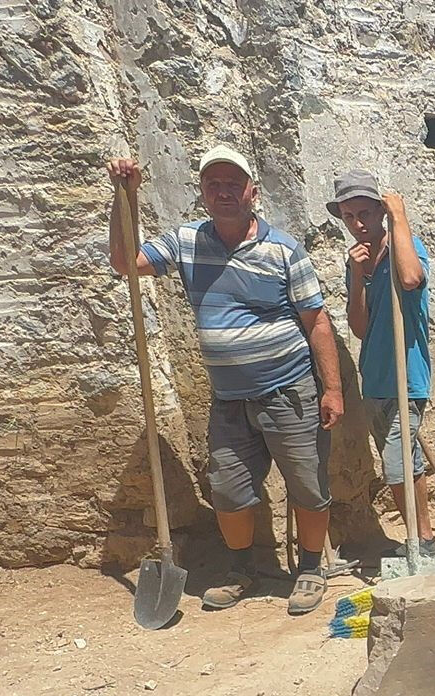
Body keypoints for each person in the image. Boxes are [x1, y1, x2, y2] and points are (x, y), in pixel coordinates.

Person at [107, 145, 343, 615]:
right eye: (213, 184)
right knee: (229, 492)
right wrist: (124, 198)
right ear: (202, 193)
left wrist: (331, 388)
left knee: (307, 485)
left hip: (289, 390)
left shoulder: (283, 249)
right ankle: (242, 570)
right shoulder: (187, 241)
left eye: (233, 184)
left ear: (252, 191)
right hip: (229, 399)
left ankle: (312, 569)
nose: (223, 192)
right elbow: (126, 263)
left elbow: (316, 320)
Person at [328, 171, 435, 560]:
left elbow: (410, 279)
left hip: (406, 377)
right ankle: (421, 538)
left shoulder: (406, 247)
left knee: (397, 465)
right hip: (373, 379)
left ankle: (421, 541)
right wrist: (358, 277)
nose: (358, 224)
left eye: (365, 214)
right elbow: (359, 327)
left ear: (380, 211)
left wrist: (400, 218)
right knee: (404, 461)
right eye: (348, 217)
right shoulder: (355, 260)